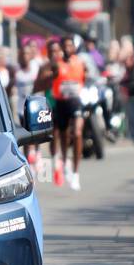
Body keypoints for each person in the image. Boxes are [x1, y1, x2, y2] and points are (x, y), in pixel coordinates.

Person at [49, 36, 87, 191]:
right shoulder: (56, 64)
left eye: (70, 45)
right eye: (65, 46)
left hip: (76, 102)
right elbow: (50, 76)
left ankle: (76, 173)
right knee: (64, 136)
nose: (67, 48)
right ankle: (65, 162)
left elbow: (86, 77)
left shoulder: (80, 62)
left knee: (77, 133)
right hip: (61, 103)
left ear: (74, 47)